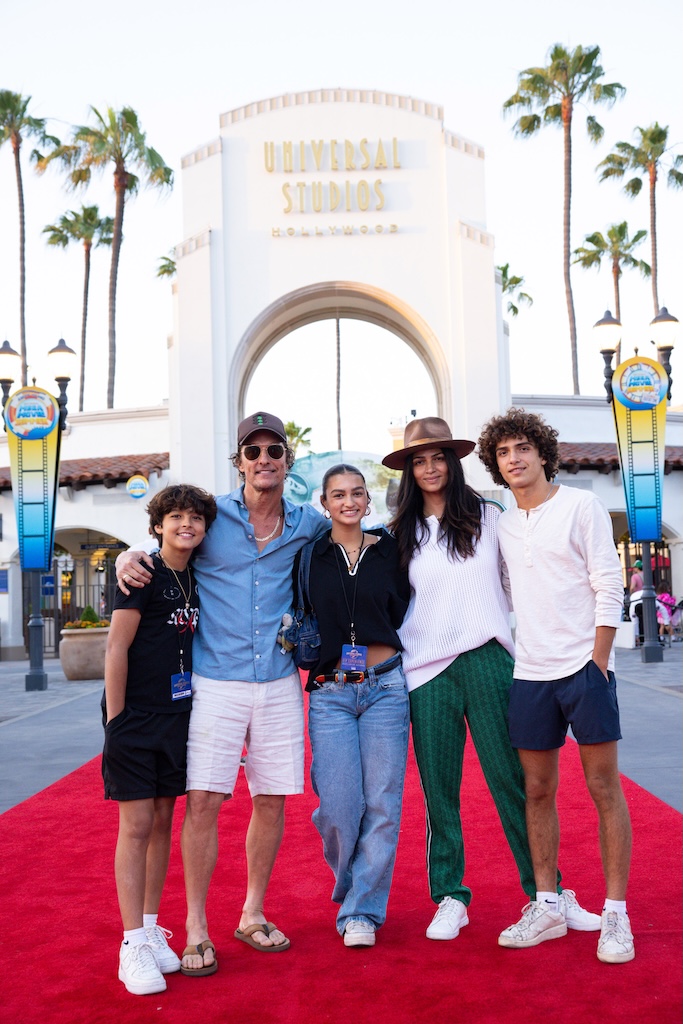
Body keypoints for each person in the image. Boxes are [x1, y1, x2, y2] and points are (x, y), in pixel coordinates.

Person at [116, 412, 327, 974]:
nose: (264, 460)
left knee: (272, 799)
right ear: (239, 462)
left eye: (274, 451)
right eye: (252, 451)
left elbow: (356, 534)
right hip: (214, 682)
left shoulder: (309, 523)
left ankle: (252, 913)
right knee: (204, 802)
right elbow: (169, 534)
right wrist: (128, 553)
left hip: (281, 681)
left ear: (287, 462)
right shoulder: (212, 516)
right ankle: (193, 927)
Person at [382, 417, 597, 944]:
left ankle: (546, 893)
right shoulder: (397, 534)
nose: (430, 468)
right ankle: (450, 896)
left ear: (454, 463)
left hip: (489, 661)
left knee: (515, 783)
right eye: (419, 460)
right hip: (426, 672)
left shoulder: (490, 517)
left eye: (439, 458)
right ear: (410, 469)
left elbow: (520, 581)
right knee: (440, 792)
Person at [477, 408, 634, 964]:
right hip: (530, 673)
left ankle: (616, 915)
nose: (514, 459)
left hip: (583, 670)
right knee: (537, 791)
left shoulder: (580, 506)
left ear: (543, 453)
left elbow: (608, 582)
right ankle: (547, 904)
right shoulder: (499, 524)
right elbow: (500, 588)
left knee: (603, 789)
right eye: (503, 452)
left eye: (523, 448)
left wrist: (598, 661)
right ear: (495, 463)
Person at [103, 484, 217, 995]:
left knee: (165, 821)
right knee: (137, 824)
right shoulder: (140, 573)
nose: (185, 524)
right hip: (135, 720)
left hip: (179, 718)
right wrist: (116, 720)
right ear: (157, 525)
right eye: (175, 517)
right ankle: (131, 945)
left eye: (195, 518)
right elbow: (115, 646)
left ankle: (150, 930)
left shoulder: (198, 576)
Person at [303, 464, 410, 947]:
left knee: (383, 805)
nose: (349, 502)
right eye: (338, 495)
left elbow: (406, 605)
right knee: (339, 807)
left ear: (369, 501)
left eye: (357, 493)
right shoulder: (308, 556)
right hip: (330, 693)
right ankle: (350, 880)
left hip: (386, 687)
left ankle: (362, 910)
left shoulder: (392, 550)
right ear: (324, 503)